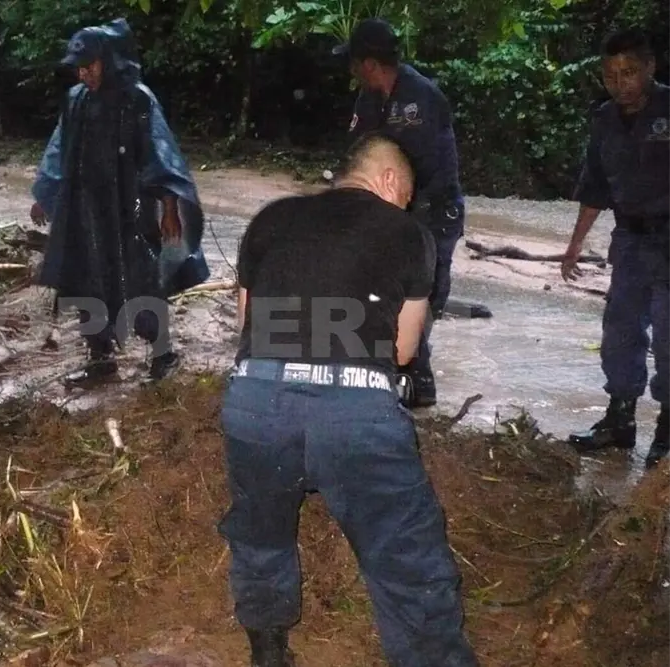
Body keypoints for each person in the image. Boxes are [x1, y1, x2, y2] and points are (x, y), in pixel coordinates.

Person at [219, 132, 479, 667]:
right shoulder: (409, 233)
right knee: (405, 556)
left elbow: (247, 323)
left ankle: (267, 651)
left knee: (261, 531)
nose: (404, 206)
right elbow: (403, 351)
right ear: (389, 180)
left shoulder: (270, 218)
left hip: (255, 402)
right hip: (355, 414)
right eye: (405, 195)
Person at [30, 18, 210, 387]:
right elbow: (59, 149)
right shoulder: (76, 100)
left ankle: (163, 355)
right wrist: (45, 193)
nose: (84, 74)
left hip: (132, 209)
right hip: (86, 209)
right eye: (79, 68)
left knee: (140, 278)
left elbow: (160, 154)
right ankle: (101, 359)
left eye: (90, 65)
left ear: (108, 60)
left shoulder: (137, 99)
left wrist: (170, 209)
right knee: (88, 277)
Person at [334, 17, 465, 409]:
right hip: (390, 214)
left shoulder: (421, 98)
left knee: (419, 294)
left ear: (369, 63)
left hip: (430, 214)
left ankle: (415, 382)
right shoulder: (369, 100)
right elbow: (358, 156)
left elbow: (422, 170)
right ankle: (401, 377)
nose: (351, 70)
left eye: (354, 62)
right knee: (383, 293)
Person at [562, 28, 670, 467]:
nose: (619, 83)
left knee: (669, 336)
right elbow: (595, 187)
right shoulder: (605, 119)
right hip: (629, 241)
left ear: (650, 67)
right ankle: (620, 420)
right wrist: (574, 245)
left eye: (629, 72)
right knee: (620, 332)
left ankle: (667, 430)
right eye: (610, 75)